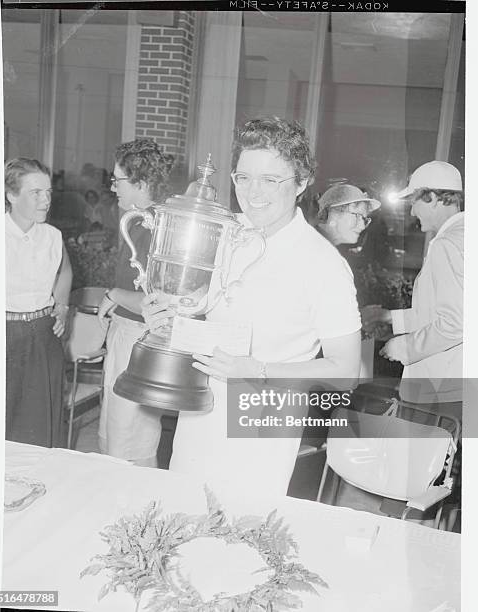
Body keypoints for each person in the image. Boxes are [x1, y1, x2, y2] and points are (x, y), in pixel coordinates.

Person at [142, 117, 361, 501]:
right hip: (199, 410)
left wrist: (257, 371)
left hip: (262, 422)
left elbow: (344, 371)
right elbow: (206, 311)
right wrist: (167, 315)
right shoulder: (228, 232)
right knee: (183, 518)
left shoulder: (324, 264)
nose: (252, 193)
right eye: (243, 178)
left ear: (302, 182)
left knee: (239, 538)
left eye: (271, 180)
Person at [97, 138, 174, 467]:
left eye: (118, 179)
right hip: (126, 335)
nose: (113, 187)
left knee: (129, 444)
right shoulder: (139, 220)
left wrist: (113, 295)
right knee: (116, 435)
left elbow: (159, 301)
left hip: (138, 342)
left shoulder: (152, 225)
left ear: (140, 183)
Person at [362, 160, 463, 408]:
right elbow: (441, 312)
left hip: (443, 390)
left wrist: (403, 347)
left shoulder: (447, 244)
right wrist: (388, 317)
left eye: (414, 202)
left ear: (432, 197)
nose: (412, 213)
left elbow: (455, 323)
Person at [5, 158, 72, 447]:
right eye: (36, 193)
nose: (46, 200)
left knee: (40, 429)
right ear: (11, 195)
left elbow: (65, 271)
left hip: (43, 337)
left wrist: (62, 306)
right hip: (4, 336)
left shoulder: (52, 236)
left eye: (48, 192)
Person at [315, 183, 381, 246]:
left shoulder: (326, 248)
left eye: (364, 219)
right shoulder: (312, 245)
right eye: (357, 216)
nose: (362, 227)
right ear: (333, 214)